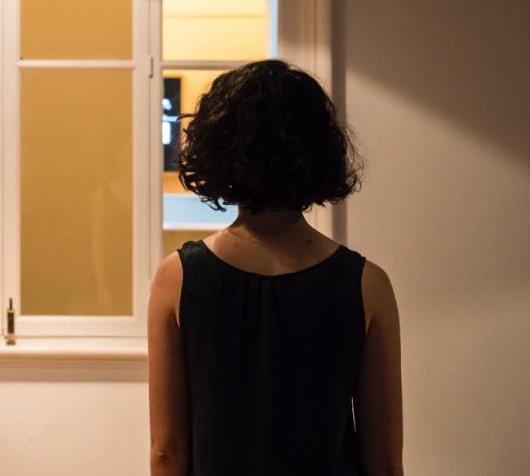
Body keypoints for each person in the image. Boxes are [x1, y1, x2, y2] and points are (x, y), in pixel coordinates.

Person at [148, 60, 403, 475]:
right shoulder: (367, 284)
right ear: (319, 151)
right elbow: (386, 464)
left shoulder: (176, 277)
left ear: (218, 151)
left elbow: (167, 452)